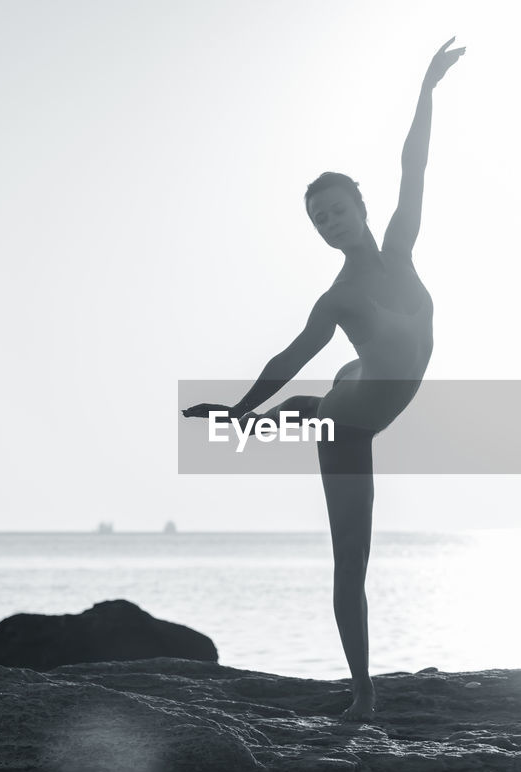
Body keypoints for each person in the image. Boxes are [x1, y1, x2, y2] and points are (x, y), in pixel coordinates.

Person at [183, 38, 464, 721]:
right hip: (348, 426)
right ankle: (362, 692)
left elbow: (414, 164)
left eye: (335, 209)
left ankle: (299, 410)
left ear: (359, 209)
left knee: (330, 392)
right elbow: (286, 358)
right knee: (351, 562)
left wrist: (426, 88)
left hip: (359, 384)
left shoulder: (401, 247)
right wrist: (244, 411)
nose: (328, 222)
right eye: (318, 219)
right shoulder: (336, 299)